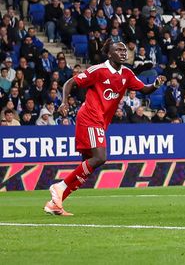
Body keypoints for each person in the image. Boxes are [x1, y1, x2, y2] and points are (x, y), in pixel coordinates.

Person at [45, 40, 165, 216]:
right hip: (90, 118)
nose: (123, 52)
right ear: (109, 54)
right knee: (100, 157)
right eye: (118, 50)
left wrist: (155, 85)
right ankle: (59, 187)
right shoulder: (99, 70)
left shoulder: (127, 73)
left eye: (124, 50)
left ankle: (55, 204)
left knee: (86, 168)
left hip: (101, 122)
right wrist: (63, 102)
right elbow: (70, 82)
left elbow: (144, 90)